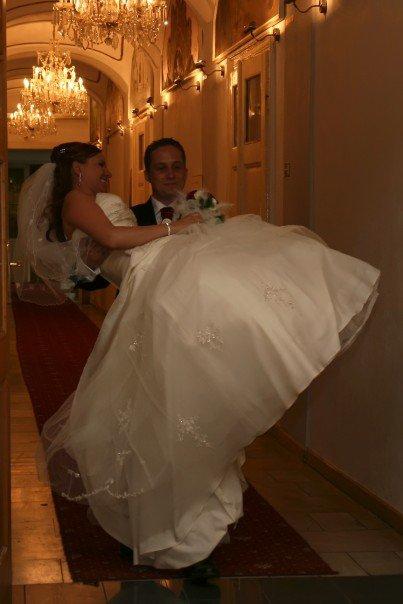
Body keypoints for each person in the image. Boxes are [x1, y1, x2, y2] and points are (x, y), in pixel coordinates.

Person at [14, 141, 380, 577]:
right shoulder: (79, 201)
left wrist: (183, 227)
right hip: (149, 276)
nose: (105, 172)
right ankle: (165, 528)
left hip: (153, 276)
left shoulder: (90, 201)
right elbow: (111, 240)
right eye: (98, 165)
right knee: (165, 397)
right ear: (77, 170)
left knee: (224, 309)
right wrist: (176, 228)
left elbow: (101, 248)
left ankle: (174, 521)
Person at [74, 137, 189, 292]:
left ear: (185, 172)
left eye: (176, 167)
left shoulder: (200, 216)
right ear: (147, 175)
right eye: (161, 168)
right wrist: (90, 265)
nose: (170, 175)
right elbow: (99, 282)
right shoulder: (123, 219)